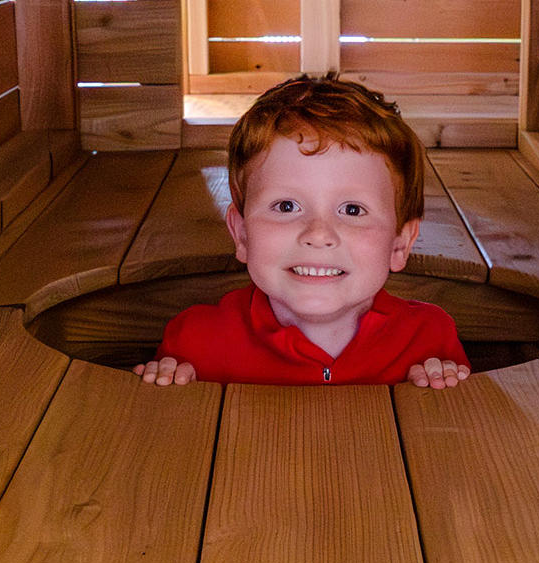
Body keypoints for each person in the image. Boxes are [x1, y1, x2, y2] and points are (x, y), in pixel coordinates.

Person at [134, 74, 471, 388]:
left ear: (400, 245)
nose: (318, 233)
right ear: (242, 235)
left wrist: (440, 390)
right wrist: (169, 390)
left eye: (352, 210)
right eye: (286, 206)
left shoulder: (429, 339)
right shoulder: (195, 342)